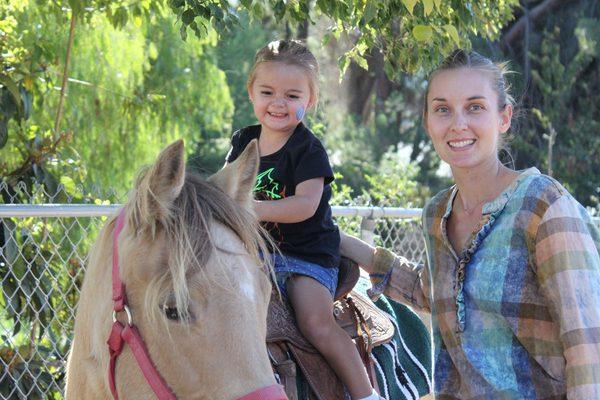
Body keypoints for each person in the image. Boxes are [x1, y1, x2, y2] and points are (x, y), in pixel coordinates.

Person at [341, 49, 600, 399]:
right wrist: (335, 237)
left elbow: (588, 346)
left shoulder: (545, 207)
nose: (457, 123)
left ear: (504, 117)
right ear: (427, 121)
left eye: (475, 107)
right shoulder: (437, 214)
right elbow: (434, 294)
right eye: (442, 109)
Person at [225, 39, 381, 400]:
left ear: (309, 102)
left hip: (306, 256)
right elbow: (226, 189)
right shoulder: (243, 141)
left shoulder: (307, 149)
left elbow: (305, 205)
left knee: (315, 321)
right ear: (251, 93)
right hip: (256, 252)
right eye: (268, 92)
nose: (278, 103)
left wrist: (250, 209)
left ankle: (365, 394)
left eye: (292, 96)